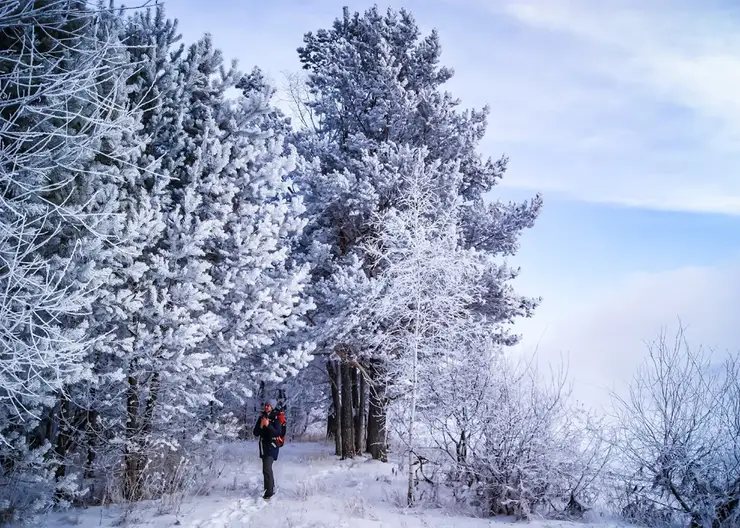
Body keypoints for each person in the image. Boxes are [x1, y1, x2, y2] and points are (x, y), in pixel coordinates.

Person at [253, 399, 282, 499]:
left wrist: (268, 425)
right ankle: (269, 488)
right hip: (263, 446)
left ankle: (269, 493)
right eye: (265, 405)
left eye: (268, 405)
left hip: (272, 445)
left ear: (272, 407)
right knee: (265, 469)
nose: (266, 407)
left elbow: (278, 432)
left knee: (267, 468)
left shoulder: (276, 418)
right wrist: (261, 426)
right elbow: (256, 433)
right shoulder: (262, 417)